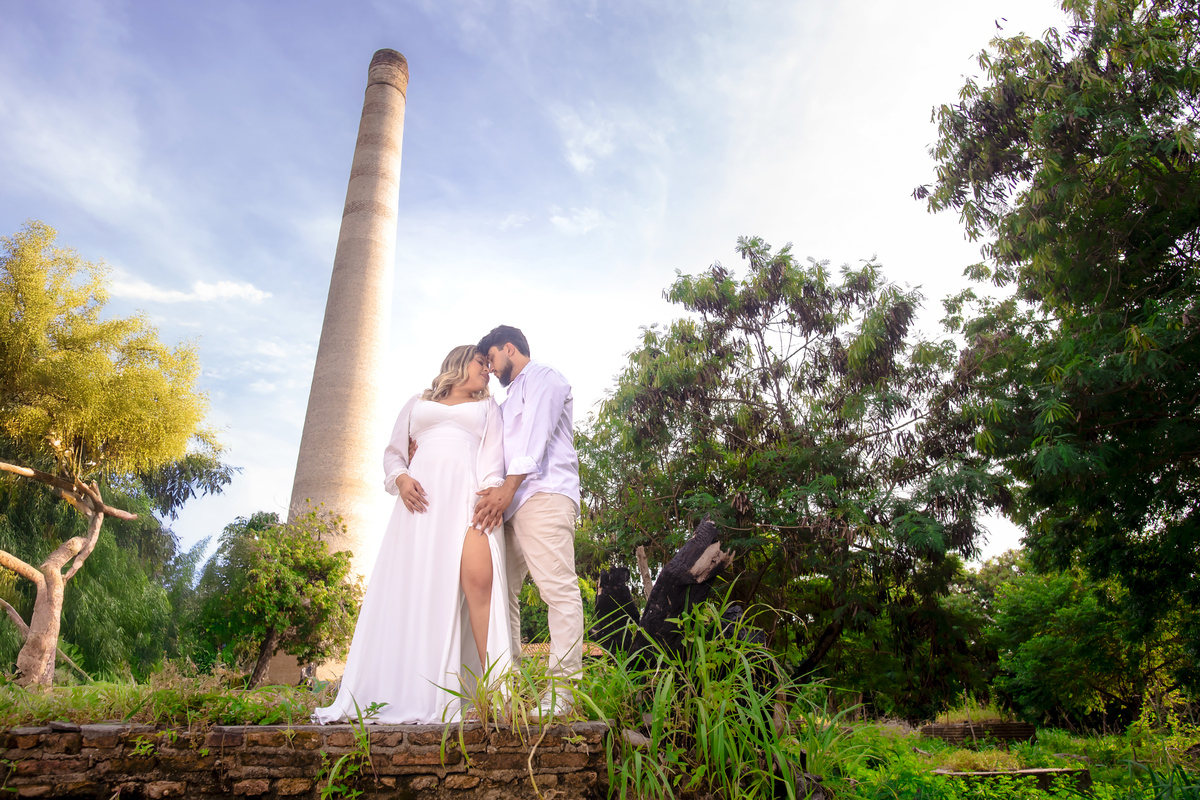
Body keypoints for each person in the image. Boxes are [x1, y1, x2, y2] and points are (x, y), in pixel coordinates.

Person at [312, 345, 512, 725]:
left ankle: (495, 693)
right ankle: (409, 691)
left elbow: (493, 455)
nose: (487, 370)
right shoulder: (418, 402)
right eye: (481, 363)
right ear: (459, 363)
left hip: (466, 502)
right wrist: (401, 479)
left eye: (490, 364)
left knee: (478, 584)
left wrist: (489, 496)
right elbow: (393, 454)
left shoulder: (489, 408)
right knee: (415, 589)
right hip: (418, 509)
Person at [471, 325, 583, 720]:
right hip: (511, 506)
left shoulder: (545, 378)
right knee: (503, 596)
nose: (489, 368)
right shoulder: (501, 405)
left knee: (559, 591)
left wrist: (506, 490)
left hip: (545, 495)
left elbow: (536, 438)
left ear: (509, 348)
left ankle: (563, 694)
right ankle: (507, 688)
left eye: (491, 360)